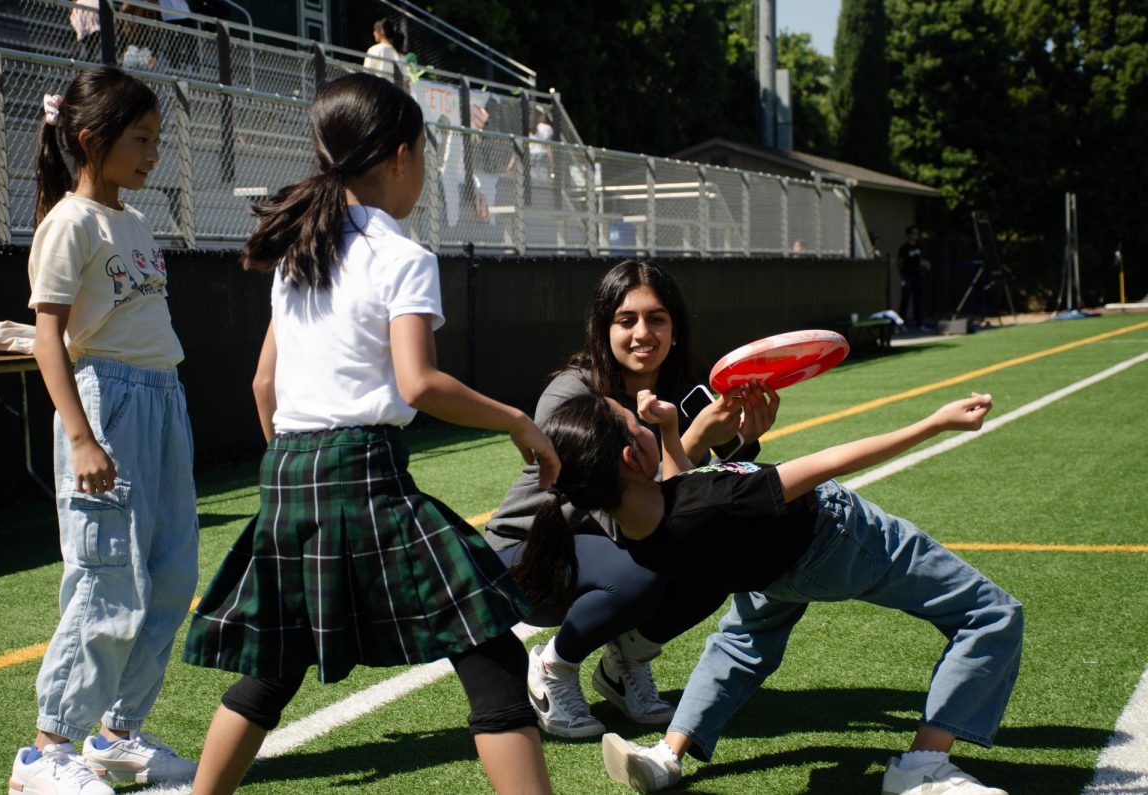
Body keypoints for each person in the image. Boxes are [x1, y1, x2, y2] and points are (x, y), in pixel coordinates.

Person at [181, 73, 559, 795]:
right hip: (364, 469)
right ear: (401, 155)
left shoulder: (300, 252)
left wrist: (293, 467)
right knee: (491, 654)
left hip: (288, 472)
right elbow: (419, 383)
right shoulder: (402, 256)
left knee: (271, 668)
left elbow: (265, 384)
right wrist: (518, 420)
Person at [526, 388, 1022, 795]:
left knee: (739, 645)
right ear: (632, 458)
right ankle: (924, 765)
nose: (642, 416)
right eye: (634, 421)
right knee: (989, 612)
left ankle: (665, 756)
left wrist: (671, 430)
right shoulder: (718, 502)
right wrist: (933, 424)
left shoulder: (636, 529)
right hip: (837, 538)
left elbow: (683, 491)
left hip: (769, 570)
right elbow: (832, 461)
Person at [485, 260, 779, 739]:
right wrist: (695, 440)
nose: (644, 333)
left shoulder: (689, 391)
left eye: (657, 318)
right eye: (627, 320)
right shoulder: (572, 394)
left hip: (611, 549)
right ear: (604, 330)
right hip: (529, 556)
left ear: (676, 329)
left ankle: (625, 662)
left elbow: (717, 495)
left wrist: (746, 438)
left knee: (730, 545)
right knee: (643, 569)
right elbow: (630, 510)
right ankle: (553, 665)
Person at [10, 66, 201, 794]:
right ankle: (44, 751)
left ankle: (115, 734)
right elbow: (50, 337)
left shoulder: (134, 220)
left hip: (161, 397)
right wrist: (83, 436)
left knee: (170, 572)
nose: (153, 154)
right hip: (107, 403)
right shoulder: (69, 221)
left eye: (157, 139)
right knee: (104, 576)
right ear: (90, 140)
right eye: (141, 139)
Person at [899, 224, 930, 329]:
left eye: (917, 233)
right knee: (905, 301)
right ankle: (901, 324)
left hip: (918, 277)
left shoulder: (918, 246)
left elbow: (920, 259)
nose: (915, 235)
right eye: (913, 233)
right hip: (907, 277)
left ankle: (920, 323)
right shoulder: (904, 248)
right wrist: (903, 275)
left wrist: (925, 264)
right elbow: (900, 263)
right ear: (908, 235)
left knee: (918, 301)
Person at [363, 17, 407, 84]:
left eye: (375, 30)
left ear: (382, 31)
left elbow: (366, 74)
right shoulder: (399, 53)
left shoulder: (374, 50)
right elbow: (406, 79)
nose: (374, 33)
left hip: (377, 90)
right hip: (395, 91)